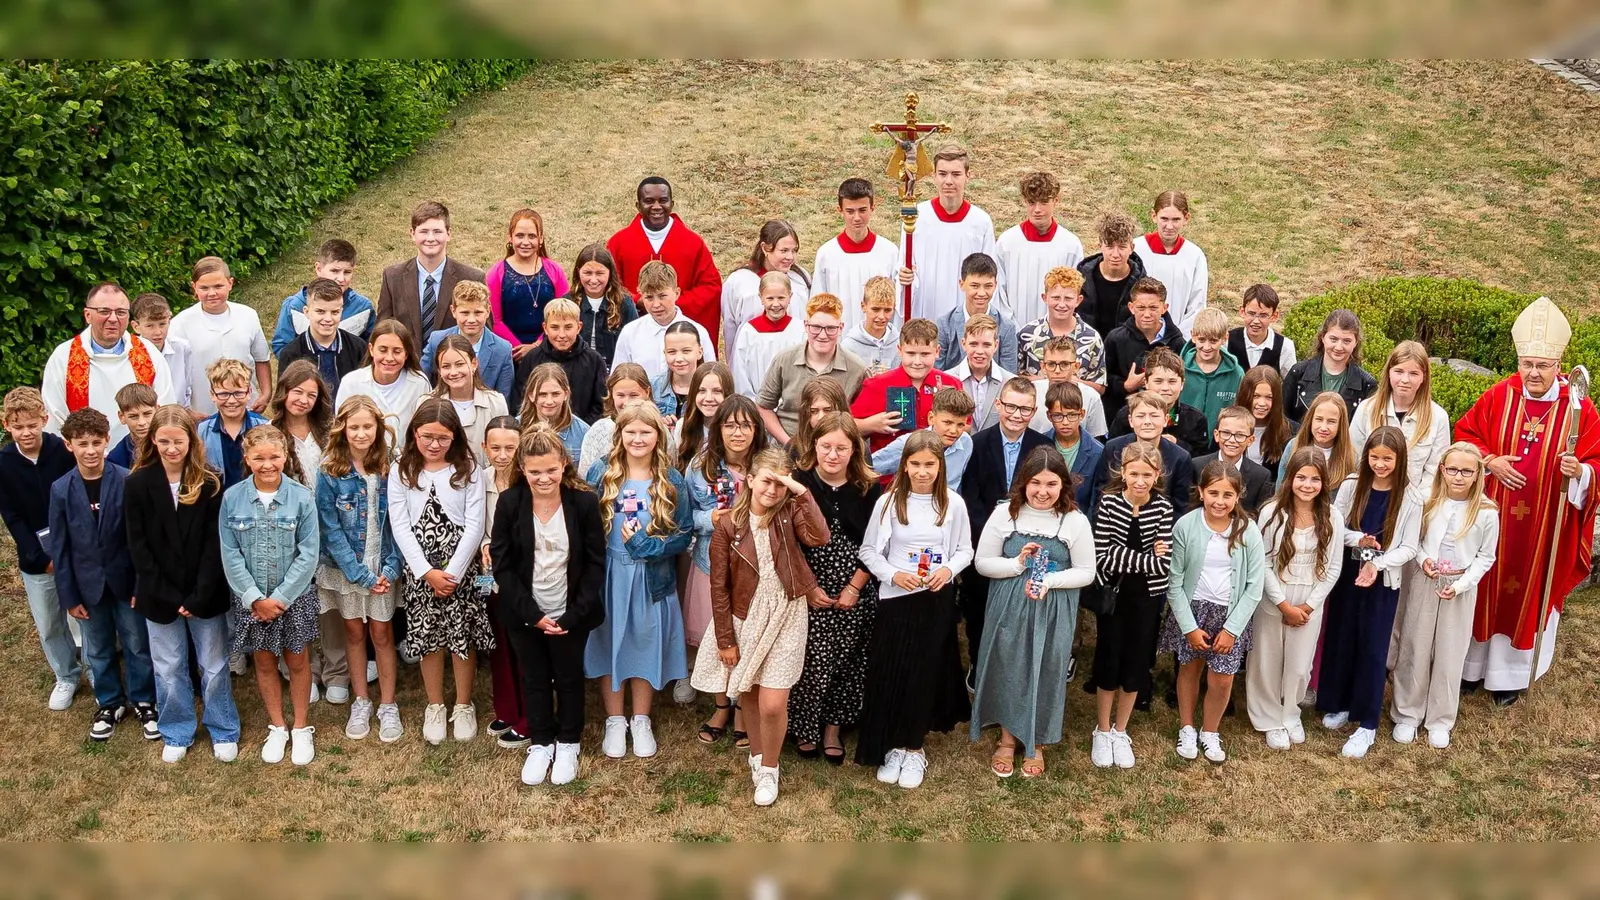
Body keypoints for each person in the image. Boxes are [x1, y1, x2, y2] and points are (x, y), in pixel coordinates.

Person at [1455, 296, 1600, 704]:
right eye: (1527, 364)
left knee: (1528, 589)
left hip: (1545, 526)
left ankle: (1510, 677)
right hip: (1494, 518)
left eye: (1542, 365)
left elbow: (1595, 459)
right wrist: (1490, 461)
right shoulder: (1499, 396)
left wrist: (1582, 473)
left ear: (1559, 364)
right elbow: (1466, 435)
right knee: (1485, 587)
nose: (1533, 373)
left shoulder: (1579, 409)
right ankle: (1471, 668)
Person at [692, 449, 830, 807]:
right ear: (750, 480)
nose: (773, 490)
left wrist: (800, 492)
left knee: (772, 702)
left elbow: (819, 536)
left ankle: (770, 768)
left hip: (787, 611)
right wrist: (725, 638)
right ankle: (758, 757)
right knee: (750, 692)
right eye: (767, 480)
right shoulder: (728, 526)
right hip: (746, 616)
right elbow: (718, 587)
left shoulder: (788, 513)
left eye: (781, 483)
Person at [855, 431, 973, 788]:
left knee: (924, 672)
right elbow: (869, 552)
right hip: (897, 598)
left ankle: (914, 746)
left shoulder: (954, 504)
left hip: (934, 599)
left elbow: (965, 550)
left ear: (940, 466)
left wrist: (947, 570)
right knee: (895, 669)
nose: (922, 472)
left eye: (930, 465)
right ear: (905, 464)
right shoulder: (889, 503)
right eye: (916, 464)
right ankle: (893, 743)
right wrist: (894, 575)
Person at [970, 447, 1095, 778]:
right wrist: (1018, 564)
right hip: (1009, 604)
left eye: (1051, 484)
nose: (1042, 492)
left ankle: (1036, 740)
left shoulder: (1074, 521)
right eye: (1035, 483)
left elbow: (1086, 572)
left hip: (1052, 608)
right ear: (1023, 483)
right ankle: (1008, 737)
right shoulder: (1005, 514)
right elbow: (982, 563)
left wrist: (1049, 581)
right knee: (1008, 665)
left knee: (1044, 666)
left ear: (1063, 485)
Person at [492, 425, 606, 787]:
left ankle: (568, 741)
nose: (543, 478)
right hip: (525, 612)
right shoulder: (510, 503)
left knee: (569, 678)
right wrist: (534, 616)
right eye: (535, 471)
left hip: (572, 611)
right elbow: (503, 564)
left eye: (551, 470)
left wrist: (571, 616)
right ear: (522, 469)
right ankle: (541, 741)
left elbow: (594, 565)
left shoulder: (583, 503)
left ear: (564, 464)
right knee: (535, 677)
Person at [124, 405, 238, 763]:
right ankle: (177, 729)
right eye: (163, 442)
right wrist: (171, 596)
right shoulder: (138, 484)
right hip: (159, 596)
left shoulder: (209, 481)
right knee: (169, 667)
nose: (171, 449)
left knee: (214, 664)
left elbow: (213, 545)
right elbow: (138, 547)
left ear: (192, 440)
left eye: (178, 441)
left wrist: (197, 594)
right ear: (152, 441)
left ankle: (222, 727)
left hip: (205, 592)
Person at [585, 403, 694, 760]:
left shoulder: (670, 479)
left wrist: (648, 545)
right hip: (610, 573)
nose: (637, 438)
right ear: (619, 434)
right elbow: (582, 521)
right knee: (609, 640)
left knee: (644, 640)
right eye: (630, 431)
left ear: (657, 436)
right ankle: (615, 719)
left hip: (651, 576)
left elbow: (683, 534)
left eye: (646, 432)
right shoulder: (602, 472)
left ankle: (641, 718)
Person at [48, 408, 156, 743]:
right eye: (83, 444)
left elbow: (140, 540)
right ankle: (109, 702)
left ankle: (143, 699)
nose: (90, 450)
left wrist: (141, 584)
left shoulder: (126, 479)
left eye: (97, 442)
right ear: (69, 446)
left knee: (137, 644)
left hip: (126, 583)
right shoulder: (61, 489)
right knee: (97, 647)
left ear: (108, 440)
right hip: (87, 587)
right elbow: (61, 548)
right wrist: (69, 595)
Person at [389, 399, 491, 746]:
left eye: (443, 438)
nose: (434, 444)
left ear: (455, 438)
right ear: (414, 434)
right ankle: (435, 704)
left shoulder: (469, 469)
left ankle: (463, 704)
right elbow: (400, 524)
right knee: (428, 637)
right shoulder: (401, 469)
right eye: (427, 436)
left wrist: (453, 572)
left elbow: (476, 523)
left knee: (461, 636)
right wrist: (425, 571)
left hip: (459, 565)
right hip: (422, 567)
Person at [1320, 426, 1422, 758]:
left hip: (1381, 579)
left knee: (1374, 646)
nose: (1379, 464)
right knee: (1343, 635)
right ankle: (1339, 703)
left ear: (1400, 459)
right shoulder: (1353, 485)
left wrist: (1377, 564)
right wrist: (1359, 541)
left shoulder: (1410, 497)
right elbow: (1339, 528)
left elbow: (1408, 547)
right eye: (1374, 457)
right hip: (1350, 572)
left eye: (1387, 459)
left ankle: (1367, 723)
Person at [220, 425, 320, 764]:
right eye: (259, 458)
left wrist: (281, 597)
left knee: (297, 659)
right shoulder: (232, 498)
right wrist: (254, 598)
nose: (267, 464)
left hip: (293, 597)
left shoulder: (302, 497)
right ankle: (277, 725)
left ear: (285, 456)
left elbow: (308, 553)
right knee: (264, 661)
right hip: (253, 599)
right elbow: (230, 552)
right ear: (247, 459)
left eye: (274, 456)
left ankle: (302, 728)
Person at [788, 413, 882, 765]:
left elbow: (876, 544)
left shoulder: (869, 487)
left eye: (841, 448)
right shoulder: (799, 483)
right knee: (811, 658)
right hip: (809, 583)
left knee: (850, 659)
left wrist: (855, 588)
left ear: (853, 450)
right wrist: (808, 587)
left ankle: (832, 727)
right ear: (814, 446)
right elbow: (788, 544)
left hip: (855, 584)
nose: (832, 454)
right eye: (826, 446)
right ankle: (804, 726)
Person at [1391, 442, 1498, 749]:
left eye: (1467, 471)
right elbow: (1416, 540)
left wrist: (1463, 584)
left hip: (1460, 584)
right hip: (1426, 578)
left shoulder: (1487, 512)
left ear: (1478, 474)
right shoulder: (1428, 502)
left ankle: (1440, 718)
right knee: (1415, 643)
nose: (1459, 477)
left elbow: (1485, 557)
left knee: (1450, 652)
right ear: (1442, 470)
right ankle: (1407, 713)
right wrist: (1424, 559)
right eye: (1452, 469)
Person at [1159, 460, 1265, 764]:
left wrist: (1232, 629)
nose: (1220, 502)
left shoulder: (1248, 531)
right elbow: (1175, 582)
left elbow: (1254, 587)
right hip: (1193, 611)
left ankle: (1210, 730)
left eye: (1227, 495)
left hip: (1231, 614)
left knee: (1222, 678)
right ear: (1201, 492)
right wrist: (1189, 627)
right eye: (1214, 493)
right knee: (1189, 669)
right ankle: (1187, 727)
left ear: (1238, 496)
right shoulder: (1186, 525)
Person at [316, 395, 405, 744]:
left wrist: (391, 565)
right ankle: (361, 700)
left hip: (382, 565)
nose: (361, 433)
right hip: (347, 568)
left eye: (368, 426)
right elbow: (330, 528)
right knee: (353, 632)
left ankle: (387, 704)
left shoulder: (391, 467)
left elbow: (399, 519)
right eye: (354, 427)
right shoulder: (329, 471)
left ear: (379, 428)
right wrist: (357, 573)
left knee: (382, 634)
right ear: (342, 429)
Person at [1245, 448, 1343, 750]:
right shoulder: (1273, 512)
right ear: (1290, 479)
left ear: (1323, 482)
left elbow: (1334, 566)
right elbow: (1262, 563)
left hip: (1309, 598)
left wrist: (1310, 605)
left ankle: (1290, 712)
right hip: (1275, 595)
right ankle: (1268, 716)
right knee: (1267, 658)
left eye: (1314, 479)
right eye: (1301, 477)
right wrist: (1283, 605)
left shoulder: (1332, 515)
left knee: (1300, 665)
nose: (1307, 485)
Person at [1087, 443, 1174, 769]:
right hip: (1115, 598)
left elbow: (1162, 566)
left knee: (1137, 662)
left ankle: (1121, 730)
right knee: (1109, 660)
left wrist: (1146, 559)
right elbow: (1104, 557)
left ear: (1156, 476)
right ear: (1123, 473)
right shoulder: (1109, 504)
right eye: (1133, 473)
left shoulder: (1163, 507)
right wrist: (1148, 557)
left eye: (1146, 475)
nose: (1140, 481)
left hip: (1147, 599)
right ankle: (1103, 728)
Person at [685, 396, 769, 725]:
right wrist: (712, 519)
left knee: (748, 636)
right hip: (712, 565)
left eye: (745, 425)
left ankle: (742, 707)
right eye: (730, 425)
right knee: (718, 636)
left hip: (756, 567)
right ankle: (721, 705)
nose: (737, 433)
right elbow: (686, 516)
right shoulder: (700, 467)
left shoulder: (765, 465)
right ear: (718, 429)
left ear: (756, 429)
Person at [0, 388, 83, 710]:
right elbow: (12, 517)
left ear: (44, 420)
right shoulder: (4, 463)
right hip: (37, 559)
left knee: (86, 615)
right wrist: (41, 558)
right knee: (49, 622)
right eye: (18, 426)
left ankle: (94, 666)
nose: (26, 432)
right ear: (7, 425)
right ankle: (66, 674)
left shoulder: (62, 452)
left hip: (76, 550)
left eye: (32, 425)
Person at [269, 360, 347, 705]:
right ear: (284, 391)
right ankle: (304, 668)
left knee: (329, 601)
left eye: (311, 394)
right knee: (297, 601)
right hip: (286, 532)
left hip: (327, 527)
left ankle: (337, 669)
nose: (303, 400)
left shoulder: (328, 432)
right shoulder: (270, 431)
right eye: (297, 391)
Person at [959, 377, 1051, 667]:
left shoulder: (1044, 448)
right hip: (983, 538)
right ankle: (978, 661)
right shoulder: (976, 444)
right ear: (998, 404)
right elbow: (970, 495)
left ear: (1034, 410)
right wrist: (990, 534)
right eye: (1010, 406)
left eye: (1025, 409)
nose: (1016, 415)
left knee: (1019, 608)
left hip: (1027, 541)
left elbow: (1047, 494)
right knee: (978, 606)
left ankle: (1013, 665)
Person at [41, 282, 175, 443]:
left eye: (120, 312)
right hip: (85, 457)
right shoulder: (64, 357)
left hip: (141, 455)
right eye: (104, 311)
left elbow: (165, 408)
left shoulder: (148, 352)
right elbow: (56, 414)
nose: (113, 319)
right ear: (87, 315)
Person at [607, 176, 724, 344]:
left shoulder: (692, 242)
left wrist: (674, 302)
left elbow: (710, 287)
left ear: (672, 204)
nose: (656, 207)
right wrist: (635, 301)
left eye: (663, 200)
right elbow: (610, 284)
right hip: (637, 331)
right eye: (649, 201)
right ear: (638, 206)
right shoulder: (619, 243)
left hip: (680, 334)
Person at [895, 146, 1000, 323]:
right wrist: (904, 277)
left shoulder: (980, 222)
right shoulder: (916, 216)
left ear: (968, 176)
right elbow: (905, 267)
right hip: (925, 310)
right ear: (934, 176)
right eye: (943, 174)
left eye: (956, 174)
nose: (949, 181)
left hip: (965, 315)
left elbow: (988, 274)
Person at [756, 293, 870, 446]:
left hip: (833, 451)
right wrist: (788, 443)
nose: (822, 335)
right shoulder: (784, 360)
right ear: (806, 325)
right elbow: (763, 406)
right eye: (816, 327)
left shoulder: (856, 369)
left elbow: (865, 414)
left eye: (830, 328)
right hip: (788, 445)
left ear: (841, 328)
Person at [375, 200, 486, 349]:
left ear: (449, 234)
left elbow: (484, 334)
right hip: (406, 366)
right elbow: (382, 329)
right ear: (412, 234)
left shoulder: (472, 277)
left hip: (453, 366)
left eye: (437, 231)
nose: (430, 238)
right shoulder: (392, 276)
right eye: (424, 231)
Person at [170, 257, 273, 416]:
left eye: (218, 286)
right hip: (202, 412)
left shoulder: (248, 315)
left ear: (230, 283)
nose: (212, 293)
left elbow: (261, 358)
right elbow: (175, 372)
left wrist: (266, 394)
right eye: (204, 288)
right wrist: (185, 411)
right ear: (194, 288)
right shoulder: (180, 324)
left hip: (246, 408)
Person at [480, 415, 529, 749]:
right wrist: (484, 544)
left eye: (509, 447)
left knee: (524, 646)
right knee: (497, 641)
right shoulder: (478, 480)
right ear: (484, 447)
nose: (501, 454)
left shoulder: (528, 481)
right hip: (488, 574)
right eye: (494, 447)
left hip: (523, 575)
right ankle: (507, 708)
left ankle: (529, 715)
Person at [848, 318, 960, 454]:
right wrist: (871, 425)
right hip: (889, 472)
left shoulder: (952, 384)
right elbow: (847, 426)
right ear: (900, 350)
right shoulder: (876, 385)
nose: (917, 362)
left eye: (925, 354)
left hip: (937, 468)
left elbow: (965, 426)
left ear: (937, 351)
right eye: (911, 354)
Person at [1350, 340, 1452, 490]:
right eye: (1399, 372)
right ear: (1389, 372)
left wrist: (1416, 504)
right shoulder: (1366, 409)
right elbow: (1353, 458)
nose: (1405, 380)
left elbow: (1434, 472)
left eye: (1413, 374)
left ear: (1424, 377)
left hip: (1415, 504)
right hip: (1369, 496)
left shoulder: (1438, 417)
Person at [996, 172, 1085, 327]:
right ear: (1024, 201)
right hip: (1014, 331)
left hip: (1056, 334)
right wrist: (1011, 327)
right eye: (1031, 202)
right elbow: (998, 289)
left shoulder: (1070, 245)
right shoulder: (1007, 242)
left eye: (1043, 202)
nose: (1037, 209)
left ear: (1056, 200)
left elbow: (1075, 291)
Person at [813, 178, 900, 335]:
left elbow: (897, 302)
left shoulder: (889, 252)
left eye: (862, 210)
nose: (857, 218)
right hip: (839, 341)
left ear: (872, 207)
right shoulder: (827, 254)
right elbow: (819, 305)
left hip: (879, 341)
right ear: (840, 210)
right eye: (850, 211)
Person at [1089, 391, 1194, 518]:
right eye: (1140, 416)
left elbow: (1181, 506)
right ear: (1131, 420)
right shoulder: (1113, 448)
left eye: (1154, 416)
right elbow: (1100, 492)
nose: (1147, 421)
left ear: (1166, 419)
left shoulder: (1181, 458)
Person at [610, 260, 717, 381]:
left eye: (662, 296)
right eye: (649, 297)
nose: (656, 304)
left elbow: (711, 376)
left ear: (676, 293)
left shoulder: (698, 332)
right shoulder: (630, 333)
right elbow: (618, 379)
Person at [486, 207, 570, 358]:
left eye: (532, 236)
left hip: (551, 347)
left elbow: (563, 313)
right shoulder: (496, 273)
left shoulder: (555, 270)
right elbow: (495, 320)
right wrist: (518, 349)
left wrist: (537, 346)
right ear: (510, 238)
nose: (525, 242)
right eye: (520, 236)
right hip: (510, 353)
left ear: (541, 238)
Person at [722, 220, 811, 361]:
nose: (790, 257)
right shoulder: (740, 282)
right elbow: (730, 328)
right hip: (754, 358)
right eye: (784, 251)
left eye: (794, 250)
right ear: (765, 248)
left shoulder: (800, 279)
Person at [269, 238, 375, 355]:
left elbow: (371, 349)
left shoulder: (363, 307)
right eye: (335, 271)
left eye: (347, 272)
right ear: (318, 269)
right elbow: (282, 347)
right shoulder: (293, 306)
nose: (341, 279)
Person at [509, 298, 606, 424]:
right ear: (545, 328)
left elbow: (601, 404)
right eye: (555, 327)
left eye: (568, 327)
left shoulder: (594, 361)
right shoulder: (531, 359)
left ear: (579, 327)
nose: (561, 334)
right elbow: (519, 401)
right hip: (537, 432)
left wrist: (580, 429)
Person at [1102, 277, 1187, 420]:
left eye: (1153, 308)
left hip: (1166, 420)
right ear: (1131, 307)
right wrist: (1125, 386)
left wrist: (1172, 422)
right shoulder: (1116, 339)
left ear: (1164, 308)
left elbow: (1181, 387)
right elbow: (1104, 378)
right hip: (1125, 418)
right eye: (1141, 308)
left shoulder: (1178, 343)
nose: (1147, 314)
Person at [335, 319, 433, 440]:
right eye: (383, 350)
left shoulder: (419, 383)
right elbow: (340, 427)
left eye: (397, 351)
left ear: (406, 354)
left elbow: (426, 426)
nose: (389, 358)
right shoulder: (351, 382)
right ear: (371, 349)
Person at [421, 281, 516, 401]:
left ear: (488, 311)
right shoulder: (437, 340)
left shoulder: (502, 349)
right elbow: (422, 380)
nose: (471, 320)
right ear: (453, 311)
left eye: (478, 313)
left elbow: (504, 396)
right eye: (465, 313)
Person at [426, 334, 511, 467]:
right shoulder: (426, 403)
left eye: (459, 364)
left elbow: (504, 447)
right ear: (439, 370)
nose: (453, 372)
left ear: (473, 364)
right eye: (446, 366)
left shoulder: (495, 402)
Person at [1107, 347, 1210, 455]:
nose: (1165, 388)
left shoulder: (1196, 420)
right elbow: (1112, 452)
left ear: (1182, 384)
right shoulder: (1127, 415)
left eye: (1172, 381)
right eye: (1158, 381)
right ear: (1145, 382)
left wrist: (1177, 444)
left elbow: (1201, 461)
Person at [870, 388, 976, 491]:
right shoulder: (907, 444)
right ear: (931, 418)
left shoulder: (966, 442)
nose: (953, 431)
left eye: (960, 425)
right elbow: (867, 469)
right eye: (947, 423)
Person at [276, 278, 369, 395]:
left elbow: (367, 392)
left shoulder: (358, 347)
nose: (328, 319)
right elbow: (283, 399)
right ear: (306, 312)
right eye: (320, 311)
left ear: (342, 311)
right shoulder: (291, 353)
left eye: (335, 312)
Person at [1017, 266, 1105, 387]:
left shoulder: (1092, 338)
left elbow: (1100, 385)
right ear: (1045, 298)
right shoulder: (1027, 334)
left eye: (1068, 298)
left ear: (1078, 300)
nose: (1062, 304)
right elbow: (1014, 377)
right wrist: (1043, 382)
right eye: (1056, 298)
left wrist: (1071, 382)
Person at [1137, 191, 1209, 339]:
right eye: (1164, 218)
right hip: (1139, 334)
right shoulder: (1137, 249)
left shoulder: (1194, 255)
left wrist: (1176, 336)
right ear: (1153, 216)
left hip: (1177, 338)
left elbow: (1197, 305)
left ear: (1186, 218)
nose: (1169, 226)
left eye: (1176, 219)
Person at [934, 253, 1018, 376]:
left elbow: (1009, 377)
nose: (981, 293)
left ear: (995, 285)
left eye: (988, 286)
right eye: (975, 286)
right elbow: (937, 374)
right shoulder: (944, 324)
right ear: (961, 284)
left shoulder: (1006, 327)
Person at [1285, 308, 1377, 421]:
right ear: (1323, 337)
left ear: (1356, 342)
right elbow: (1283, 419)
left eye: (1346, 341)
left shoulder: (1367, 385)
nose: (1339, 347)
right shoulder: (1298, 373)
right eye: (1333, 339)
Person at [196, 359, 270, 489]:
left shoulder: (264, 427)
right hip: (217, 502)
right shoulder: (202, 431)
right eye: (224, 394)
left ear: (249, 393)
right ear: (213, 395)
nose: (231, 400)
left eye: (238, 393)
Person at [1076, 211, 1148, 341]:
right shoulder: (1081, 280)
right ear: (1100, 247)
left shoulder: (1143, 285)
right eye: (1109, 246)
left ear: (1131, 248)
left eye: (1122, 247)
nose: (1115, 254)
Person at [731, 272, 805, 397]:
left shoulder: (800, 329)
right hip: (756, 405)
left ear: (790, 297)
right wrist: (752, 403)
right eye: (770, 298)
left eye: (781, 298)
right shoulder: (749, 331)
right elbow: (740, 372)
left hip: (792, 404)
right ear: (760, 297)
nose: (776, 304)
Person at [577, 364, 659, 478]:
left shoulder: (658, 428)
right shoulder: (599, 430)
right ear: (611, 393)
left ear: (647, 392)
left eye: (634, 395)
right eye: (620, 395)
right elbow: (585, 475)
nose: (627, 402)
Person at [568, 243, 638, 370]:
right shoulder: (568, 302)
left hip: (614, 374)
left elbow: (636, 343)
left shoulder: (624, 303)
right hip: (575, 373)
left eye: (600, 273)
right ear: (578, 272)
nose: (593, 280)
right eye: (587, 273)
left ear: (610, 273)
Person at [1191, 407, 1274, 514]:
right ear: (1216, 435)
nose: (1231, 440)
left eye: (1240, 435)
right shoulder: (1197, 466)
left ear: (1250, 440)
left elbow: (1258, 514)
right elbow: (1190, 507)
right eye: (1226, 433)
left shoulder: (1261, 476)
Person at [1028, 337, 1108, 440]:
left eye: (1064, 364)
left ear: (1076, 367)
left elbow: (1095, 439)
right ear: (1043, 366)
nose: (1057, 370)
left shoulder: (1091, 396)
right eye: (1051, 364)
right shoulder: (1031, 392)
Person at [1180, 308, 1243, 435]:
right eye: (1202, 340)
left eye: (1213, 341)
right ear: (1193, 336)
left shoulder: (1237, 374)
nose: (1207, 347)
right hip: (1182, 441)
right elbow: (1169, 404)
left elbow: (1241, 411)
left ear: (1225, 338)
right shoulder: (1178, 368)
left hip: (1218, 444)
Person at [1043, 381, 1104, 510]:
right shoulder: (1039, 445)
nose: (1065, 422)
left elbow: (1096, 501)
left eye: (1072, 415)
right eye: (1058, 416)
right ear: (1049, 416)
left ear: (1082, 414)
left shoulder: (1097, 452)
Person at [943, 315, 1010, 432]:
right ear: (963, 344)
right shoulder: (946, 380)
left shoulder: (1009, 382)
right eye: (973, 344)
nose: (979, 351)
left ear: (996, 345)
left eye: (986, 345)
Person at [1279, 390, 1356, 487]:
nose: (1323, 428)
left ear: (1341, 425)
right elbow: (1280, 490)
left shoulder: (1351, 455)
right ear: (1310, 419)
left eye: (1331, 421)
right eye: (1319, 419)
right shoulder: (1293, 446)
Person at [130, 292, 194, 408]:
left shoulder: (182, 348)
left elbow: (187, 388)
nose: (158, 332)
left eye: (162, 324)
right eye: (150, 326)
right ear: (136, 326)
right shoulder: (129, 352)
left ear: (169, 321)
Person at [519, 363, 590, 463]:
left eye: (555, 394)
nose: (549, 401)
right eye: (542, 394)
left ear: (566, 394)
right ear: (531, 395)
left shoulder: (584, 433)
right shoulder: (515, 429)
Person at [673, 362, 735, 473]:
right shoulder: (683, 426)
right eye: (701, 391)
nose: (709, 398)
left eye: (717, 391)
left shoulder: (736, 430)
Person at [1230, 284, 1297, 379]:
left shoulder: (1284, 346)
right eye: (1251, 313)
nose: (1256, 321)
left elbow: (1291, 384)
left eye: (1263, 315)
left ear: (1274, 316)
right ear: (1242, 311)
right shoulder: (1227, 340)